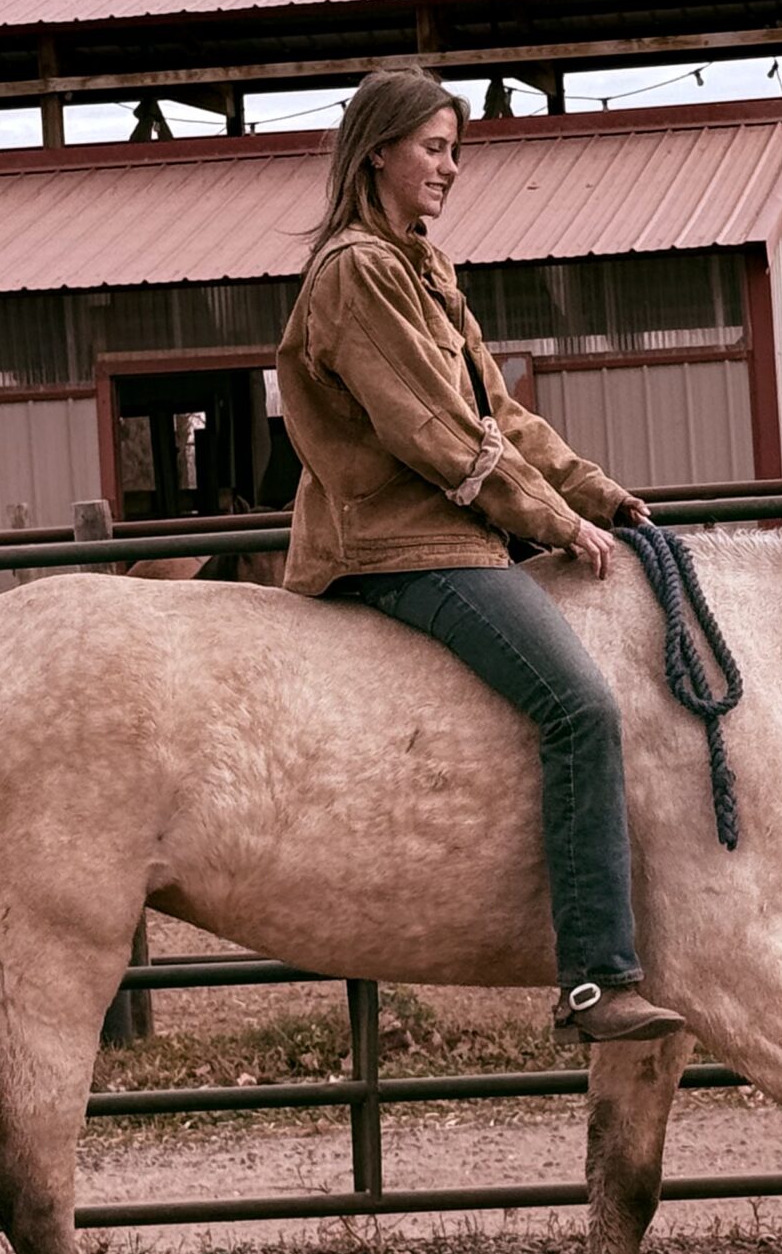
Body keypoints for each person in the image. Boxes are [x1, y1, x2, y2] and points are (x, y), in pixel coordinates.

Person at [275, 70, 686, 1046]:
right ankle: (594, 976)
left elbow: (498, 414)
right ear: (378, 150)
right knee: (580, 709)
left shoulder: (420, 266)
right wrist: (554, 524)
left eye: (454, 150)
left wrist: (600, 494)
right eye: (432, 148)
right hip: (397, 544)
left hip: (453, 534)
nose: (448, 168)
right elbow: (435, 434)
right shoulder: (359, 274)